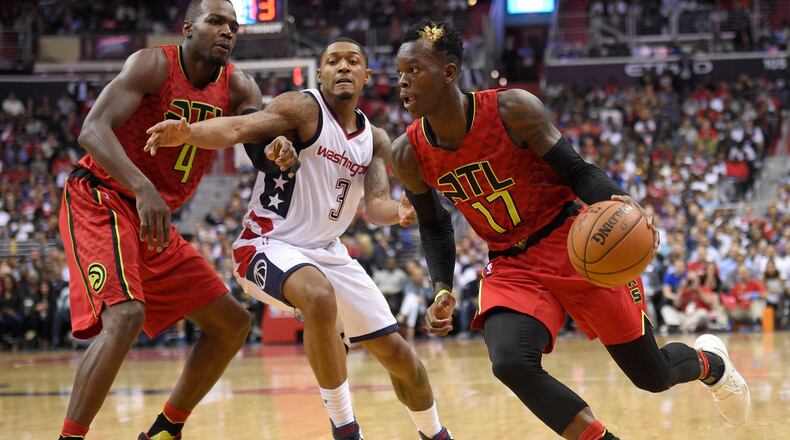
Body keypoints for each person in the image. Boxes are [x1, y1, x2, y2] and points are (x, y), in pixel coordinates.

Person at [389, 19, 750, 440]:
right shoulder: (407, 154)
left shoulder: (512, 109)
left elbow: (577, 171)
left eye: (413, 71)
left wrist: (622, 202)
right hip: (510, 262)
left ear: (449, 72)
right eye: (399, 73)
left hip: (573, 243)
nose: (401, 82)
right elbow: (434, 226)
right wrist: (441, 288)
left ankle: (712, 363)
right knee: (509, 361)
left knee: (653, 376)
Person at [144, 37, 452, 440]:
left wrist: (399, 211)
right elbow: (239, 127)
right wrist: (187, 132)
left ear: (367, 76)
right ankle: (345, 429)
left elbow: (375, 204)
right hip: (266, 244)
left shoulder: (374, 139)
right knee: (319, 296)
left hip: (328, 253)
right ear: (320, 73)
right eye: (333, 61)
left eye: (353, 61)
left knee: (402, 360)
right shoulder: (303, 108)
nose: (343, 67)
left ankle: (435, 433)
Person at [56, 1, 256, 438]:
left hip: (155, 219)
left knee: (232, 324)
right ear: (188, 28)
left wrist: (278, 152)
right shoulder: (152, 65)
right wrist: (143, 188)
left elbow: (258, 140)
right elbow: (92, 129)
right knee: (125, 316)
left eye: (233, 27)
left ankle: (167, 429)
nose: (227, 32)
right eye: (216, 22)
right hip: (102, 196)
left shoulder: (239, 87)